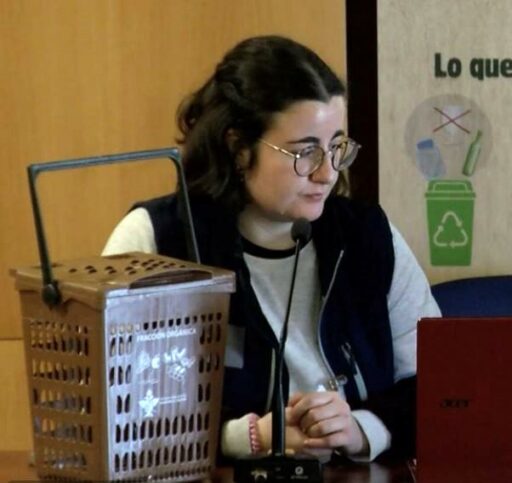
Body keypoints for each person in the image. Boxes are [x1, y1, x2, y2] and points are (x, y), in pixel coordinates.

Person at [103, 35, 440, 463]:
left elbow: (439, 388)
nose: (326, 173)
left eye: (336, 147)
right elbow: (119, 413)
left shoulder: (367, 235)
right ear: (238, 148)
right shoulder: (157, 241)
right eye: (306, 152)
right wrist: (248, 437)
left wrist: (362, 429)